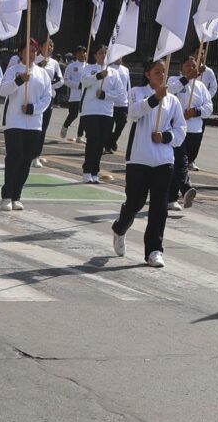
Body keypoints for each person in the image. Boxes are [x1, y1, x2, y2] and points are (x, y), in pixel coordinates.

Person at [109, 57, 185, 267]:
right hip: (139, 159)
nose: (161, 76)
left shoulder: (173, 100)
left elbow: (181, 129)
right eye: (157, 72)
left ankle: (154, 250)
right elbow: (134, 112)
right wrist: (154, 99)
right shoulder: (137, 92)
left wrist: (166, 137)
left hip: (163, 160)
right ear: (147, 75)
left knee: (159, 207)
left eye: (163, 72)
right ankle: (120, 228)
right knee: (135, 202)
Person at [0, 39, 53, 210]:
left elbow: (47, 97)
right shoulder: (13, 71)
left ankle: (17, 196)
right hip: (14, 121)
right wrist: (19, 81)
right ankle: (7, 195)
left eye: (34, 51)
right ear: (20, 52)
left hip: (34, 123)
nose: (31, 54)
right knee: (14, 157)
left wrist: (33, 108)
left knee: (26, 160)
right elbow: (2, 90)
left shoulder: (42, 73)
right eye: (27, 50)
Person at [171, 54, 213, 208]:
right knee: (180, 161)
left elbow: (209, 107)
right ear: (181, 67)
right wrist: (186, 78)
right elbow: (170, 91)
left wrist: (195, 111)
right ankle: (186, 189)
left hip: (195, 130)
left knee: (183, 163)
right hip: (178, 129)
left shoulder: (201, 86)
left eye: (193, 66)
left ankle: (171, 197)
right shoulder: (174, 81)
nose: (191, 68)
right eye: (188, 65)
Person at [80, 54, 128, 183]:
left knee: (101, 142)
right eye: (100, 53)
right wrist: (98, 76)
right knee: (93, 139)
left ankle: (95, 172)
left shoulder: (114, 72)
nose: (103, 56)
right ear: (96, 55)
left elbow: (119, 92)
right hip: (90, 110)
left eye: (105, 54)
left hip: (106, 112)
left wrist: (105, 95)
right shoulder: (89, 68)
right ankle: (87, 171)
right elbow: (84, 82)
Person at [58, 47, 93, 139]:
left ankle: (79, 136)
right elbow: (66, 80)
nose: (82, 54)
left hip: (85, 96)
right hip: (75, 96)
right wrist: (78, 85)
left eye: (84, 52)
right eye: (79, 53)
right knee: (73, 114)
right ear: (76, 54)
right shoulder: (71, 66)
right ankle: (65, 126)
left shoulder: (89, 67)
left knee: (83, 116)